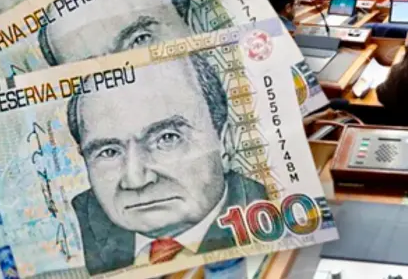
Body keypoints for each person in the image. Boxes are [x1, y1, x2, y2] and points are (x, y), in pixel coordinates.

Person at [67, 55, 266, 275]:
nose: (136, 180)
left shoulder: (272, 214)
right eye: (109, 152)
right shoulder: (75, 239)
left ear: (226, 143)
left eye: (167, 138)